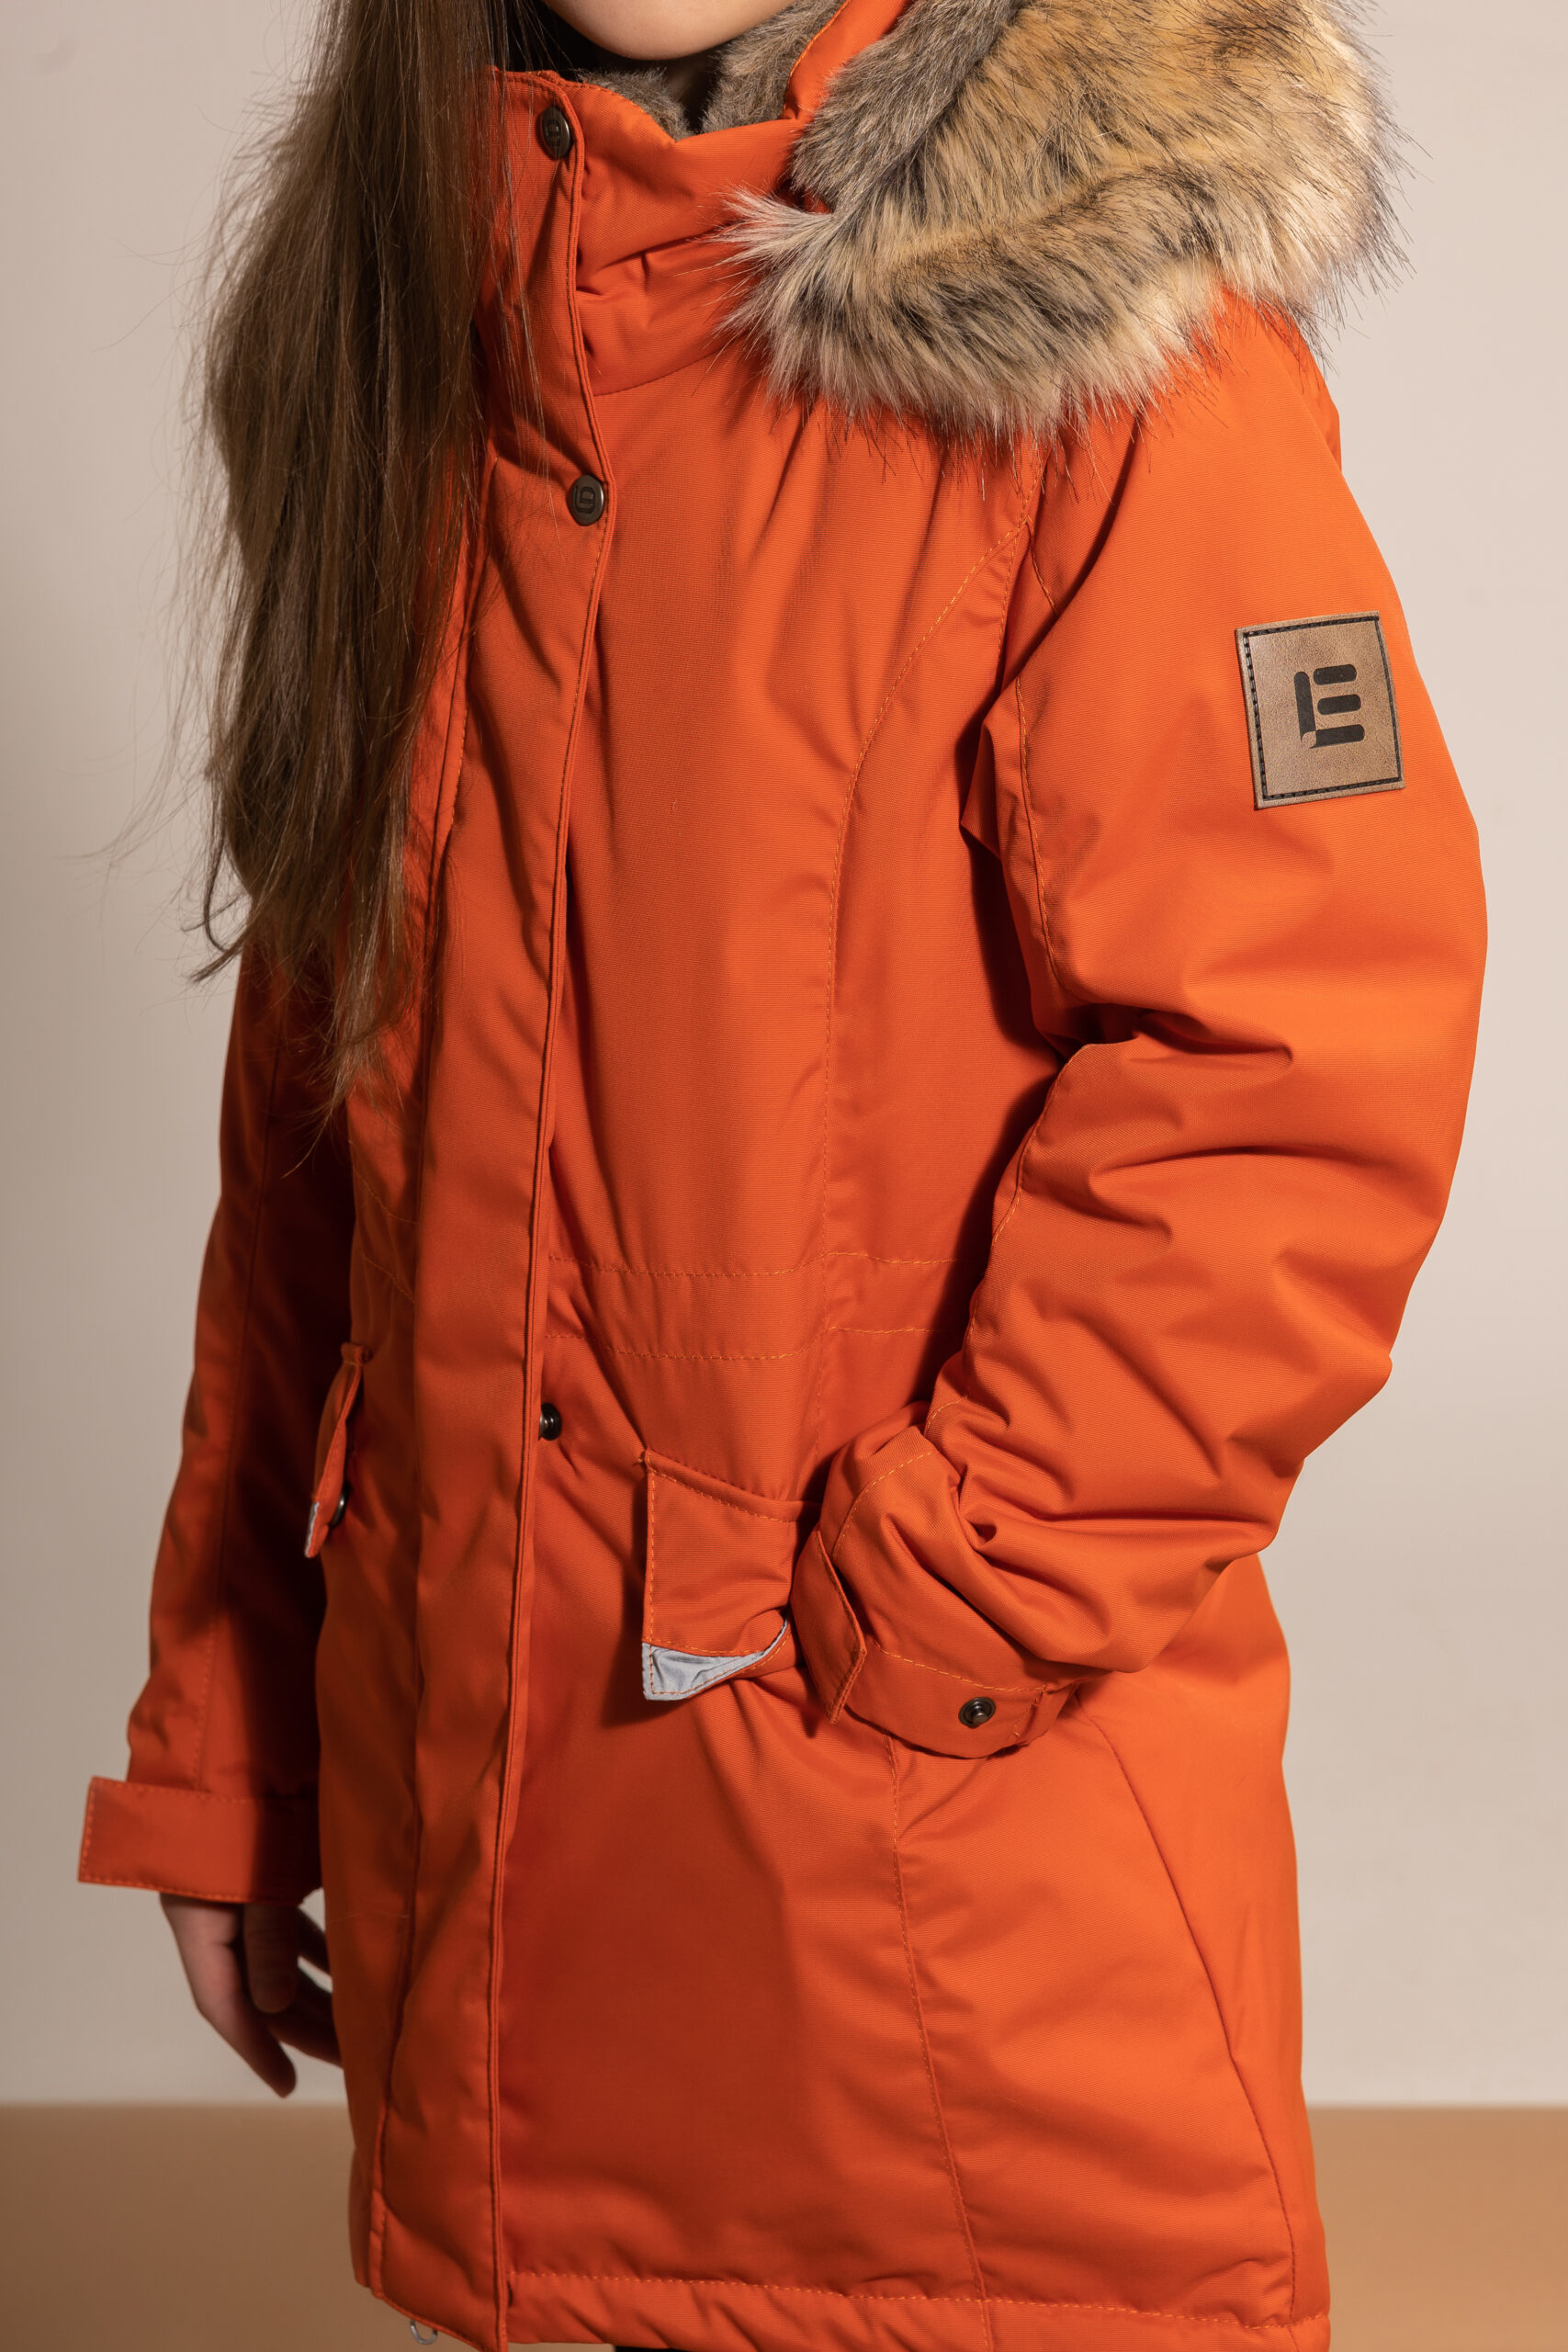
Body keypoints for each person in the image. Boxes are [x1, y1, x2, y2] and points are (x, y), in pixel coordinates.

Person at [80, 2, 1486, 2349]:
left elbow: (1294, 1054)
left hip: (928, 1894)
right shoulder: (410, 327)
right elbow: (325, 1126)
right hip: (494, 1904)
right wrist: (234, 1737)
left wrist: (940, 1606)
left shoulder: (1096, 331)